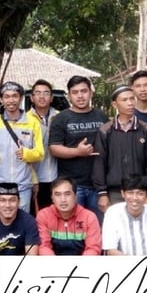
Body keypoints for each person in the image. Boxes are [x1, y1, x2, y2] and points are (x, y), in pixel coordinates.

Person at [48, 75, 109, 221]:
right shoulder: (61, 118)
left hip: (99, 185)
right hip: (72, 186)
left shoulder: (101, 116)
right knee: (74, 227)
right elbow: (54, 148)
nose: (80, 96)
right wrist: (78, 152)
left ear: (91, 92)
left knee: (98, 226)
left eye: (84, 91)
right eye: (75, 92)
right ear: (69, 95)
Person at [92, 85, 147, 209]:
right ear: (114, 104)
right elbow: (99, 163)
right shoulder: (105, 131)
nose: (130, 103)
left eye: (132, 98)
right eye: (124, 100)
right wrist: (102, 193)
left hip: (140, 192)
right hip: (114, 193)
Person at [0, 81, 44, 213]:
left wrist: (26, 154)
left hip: (23, 184)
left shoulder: (33, 123)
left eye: (14, 96)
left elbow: (40, 153)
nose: (11, 100)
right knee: (1, 220)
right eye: (6, 96)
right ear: (1, 99)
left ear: (21, 98)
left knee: (22, 220)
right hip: (0, 183)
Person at [101, 174, 147, 256]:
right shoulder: (112, 213)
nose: (135, 198)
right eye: (130, 193)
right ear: (122, 193)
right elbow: (110, 249)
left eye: (140, 194)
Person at [36, 176, 102, 256]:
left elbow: (93, 248)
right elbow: (44, 247)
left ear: (75, 197)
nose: (63, 199)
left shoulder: (89, 217)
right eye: (58, 195)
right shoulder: (44, 216)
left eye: (67, 194)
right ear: (52, 198)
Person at [0, 182, 40, 256]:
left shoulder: (29, 221)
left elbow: (31, 255)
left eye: (12, 200)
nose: (8, 205)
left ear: (19, 202)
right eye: (2, 200)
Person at [28, 79, 60, 214]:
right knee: (34, 216)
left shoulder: (60, 117)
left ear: (51, 98)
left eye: (46, 93)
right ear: (32, 98)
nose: (42, 97)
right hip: (33, 178)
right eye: (38, 93)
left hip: (56, 176)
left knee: (54, 215)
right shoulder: (25, 120)